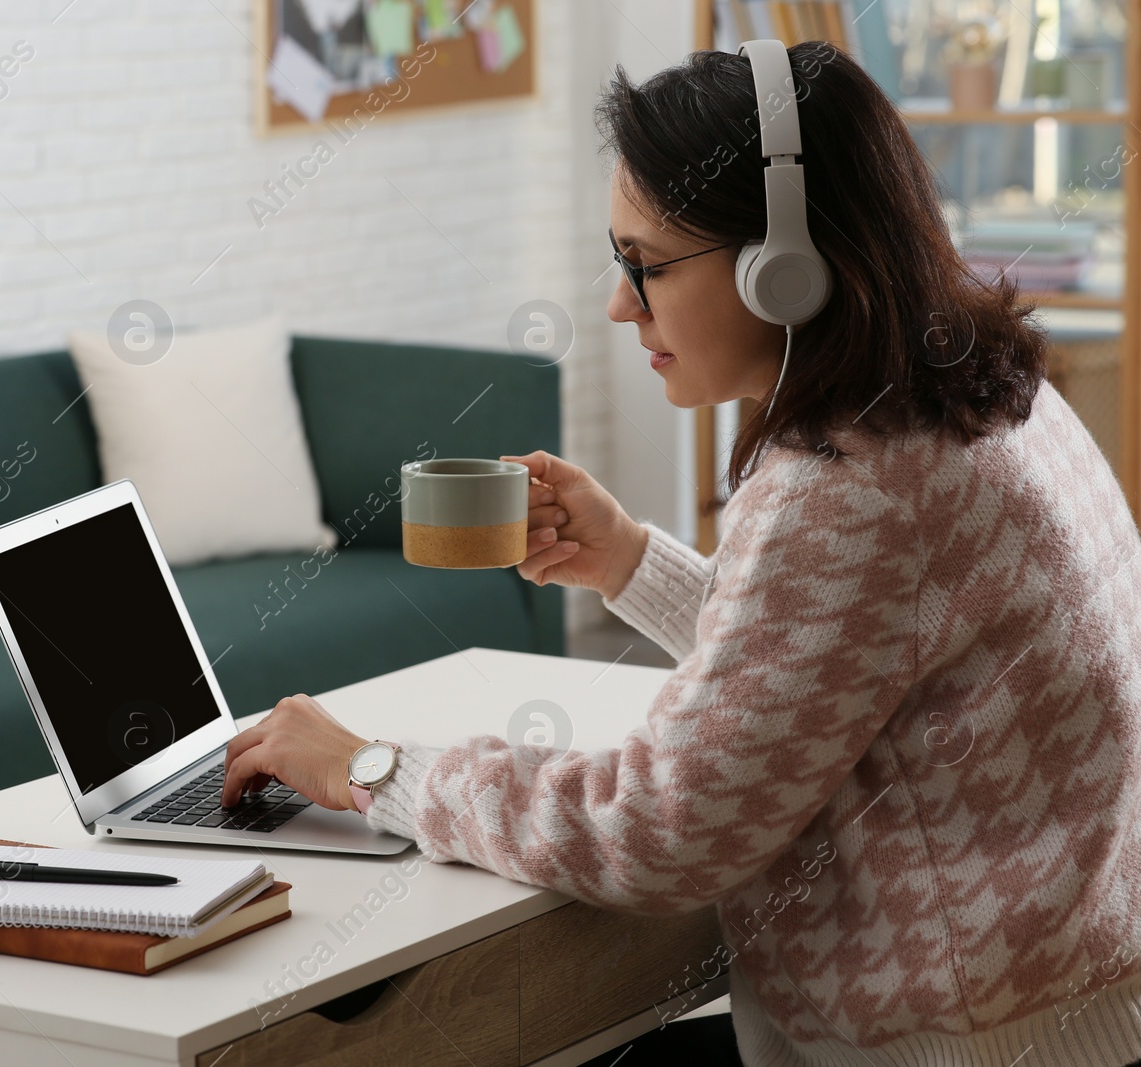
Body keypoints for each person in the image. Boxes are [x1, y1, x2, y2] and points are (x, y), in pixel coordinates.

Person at [219, 40, 1141, 1067]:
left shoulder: (848, 484)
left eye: (645, 264)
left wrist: (365, 768)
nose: (621, 304)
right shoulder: (984, 397)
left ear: (781, 266)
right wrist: (623, 559)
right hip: (1061, 1010)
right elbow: (836, 670)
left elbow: (656, 831)